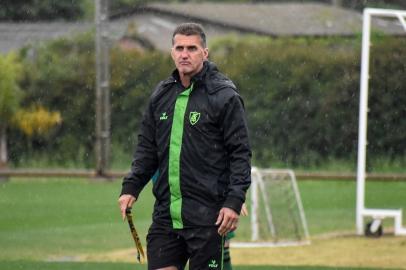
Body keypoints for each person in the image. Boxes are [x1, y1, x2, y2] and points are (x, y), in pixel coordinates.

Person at [118, 22, 251, 270]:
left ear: (205, 53)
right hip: (166, 217)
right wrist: (131, 187)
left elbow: (240, 154)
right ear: (172, 52)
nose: (184, 54)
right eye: (179, 48)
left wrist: (234, 200)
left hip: (208, 218)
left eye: (192, 48)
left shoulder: (224, 96)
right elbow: (147, 149)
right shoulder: (161, 94)